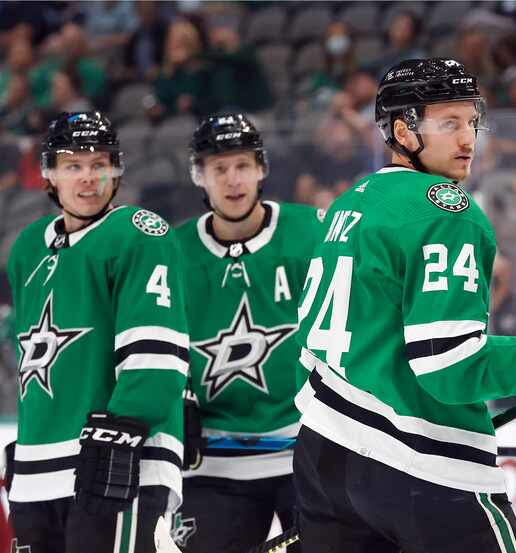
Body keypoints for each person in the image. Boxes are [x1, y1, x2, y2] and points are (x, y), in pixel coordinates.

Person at [292, 57, 516, 553]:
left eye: (471, 121)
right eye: (448, 123)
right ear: (403, 130)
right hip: (419, 461)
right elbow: (448, 365)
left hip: (323, 451)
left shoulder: (352, 201)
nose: (468, 138)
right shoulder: (444, 210)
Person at [5, 111, 188, 551]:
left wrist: (123, 431)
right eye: (73, 166)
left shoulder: (139, 235)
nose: (88, 178)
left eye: (99, 165)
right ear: (49, 174)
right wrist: (29, 441)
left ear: (116, 171)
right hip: (36, 471)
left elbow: (156, 352)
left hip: (121, 461)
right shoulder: (27, 248)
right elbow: (29, 350)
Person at [173, 113, 324, 553]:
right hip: (215, 466)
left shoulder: (311, 234)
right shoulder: (172, 252)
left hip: (308, 454)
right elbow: (150, 340)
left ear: (261, 168)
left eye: (241, 165)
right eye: (218, 169)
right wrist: (174, 399)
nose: (232, 179)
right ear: (199, 177)